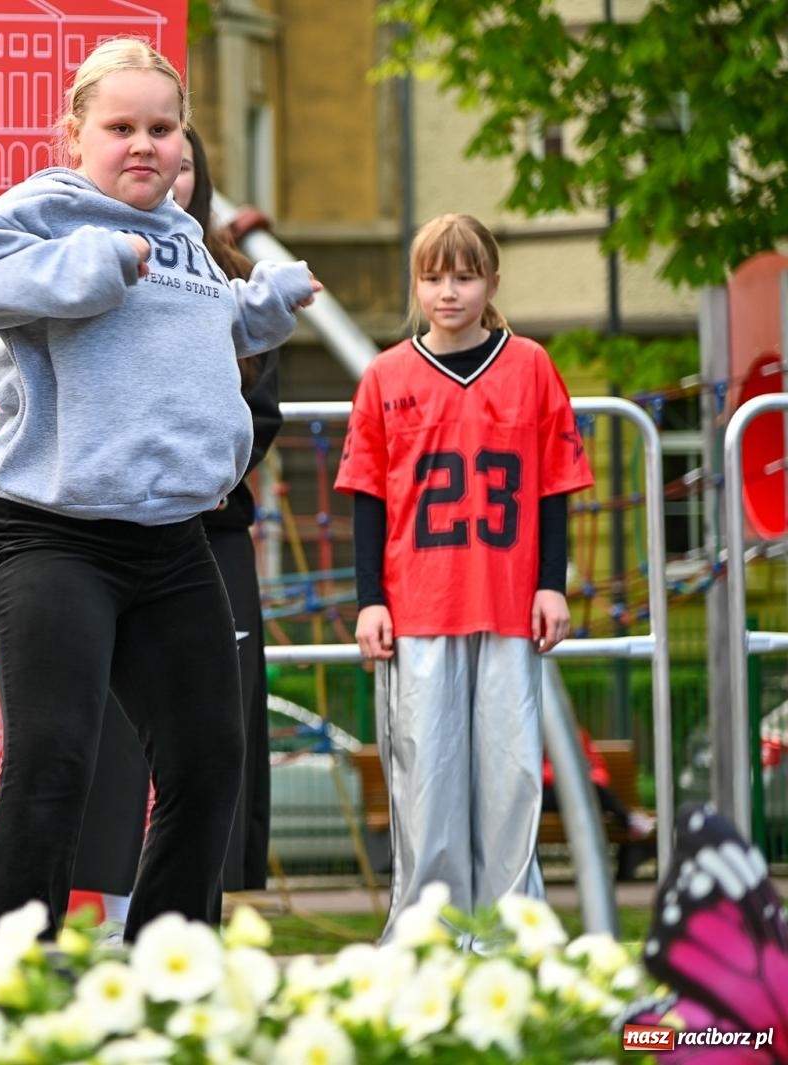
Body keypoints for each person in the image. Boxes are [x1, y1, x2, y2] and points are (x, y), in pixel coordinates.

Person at [0, 37, 319, 940]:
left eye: (162, 127)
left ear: (184, 142)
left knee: (211, 758)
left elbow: (193, 330)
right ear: (75, 136)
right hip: (52, 532)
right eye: (121, 127)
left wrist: (261, 302)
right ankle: (12, 969)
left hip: (169, 537)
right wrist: (89, 267)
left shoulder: (181, 231)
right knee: (54, 756)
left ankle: (167, 960)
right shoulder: (51, 209)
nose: (143, 143)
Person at [335, 212, 594, 940]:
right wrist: (369, 601)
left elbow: (551, 486)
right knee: (427, 781)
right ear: (415, 284)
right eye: (433, 276)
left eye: (464, 275)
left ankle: (512, 930)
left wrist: (552, 582)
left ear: (491, 282)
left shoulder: (532, 365)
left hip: (509, 602)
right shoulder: (385, 375)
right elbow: (367, 496)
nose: (448, 292)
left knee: (512, 778)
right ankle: (429, 932)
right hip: (418, 605)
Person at [71, 127, 282, 927]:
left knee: (209, 729)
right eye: (146, 144)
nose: (169, 169)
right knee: (122, 730)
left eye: (187, 160)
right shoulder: (94, 259)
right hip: (112, 529)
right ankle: (123, 907)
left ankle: (197, 911)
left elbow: (258, 411)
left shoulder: (234, 282)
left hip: (210, 535)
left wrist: (200, 470)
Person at [540, 726, 656, 881]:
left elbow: (598, 768)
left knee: (593, 789)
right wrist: (567, 774)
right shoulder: (534, 737)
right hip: (549, 795)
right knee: (584, 789)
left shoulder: (577, 735)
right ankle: (629, 820)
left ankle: (629, 821)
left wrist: (587, 777)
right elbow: (535, 771)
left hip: (581, 794)